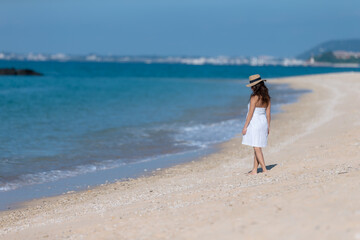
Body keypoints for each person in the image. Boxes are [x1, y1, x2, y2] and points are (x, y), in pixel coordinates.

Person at [242, 74, 271, 175]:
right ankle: (254, 169)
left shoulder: (254, 97)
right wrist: (268, 126)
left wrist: (245, 126)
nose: (251, 88)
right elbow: (268, 114)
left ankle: (264, 169)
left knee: (256, 147)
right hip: (263, 123)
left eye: (252, 86)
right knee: (257, 145)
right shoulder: (267, 97)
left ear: (255, 86)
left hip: (255, 123)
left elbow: (250, 113)